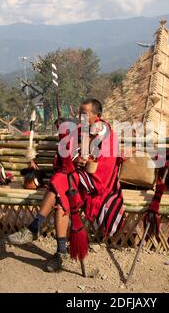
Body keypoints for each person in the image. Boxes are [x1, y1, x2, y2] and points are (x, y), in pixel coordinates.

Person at [7, 98, 121, 272]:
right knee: (61, 204)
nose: (80, 116)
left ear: (98, 115)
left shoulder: (104, 130)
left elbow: (104, 162)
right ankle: (61, 253)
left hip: (96, 183)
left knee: (60, 179)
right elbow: (69, 153)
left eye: (84, 114)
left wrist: (86, 160)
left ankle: (35, 226)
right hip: (76, 180)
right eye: (79, 113)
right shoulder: (82, 130)